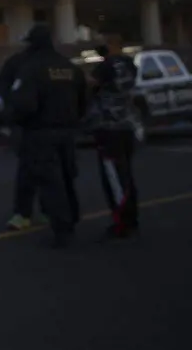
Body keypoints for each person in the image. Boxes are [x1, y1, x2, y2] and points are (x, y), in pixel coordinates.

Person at [9, 24, 87, 248]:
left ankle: (63, 230)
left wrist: (16, 120)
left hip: (40, 133)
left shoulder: (32, 69)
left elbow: (23, 104)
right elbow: (83, 100)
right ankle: (71, 219)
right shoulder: (70, 67)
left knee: (50, 183)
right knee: (67, 178)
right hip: (67, 132)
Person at [89, 41, 141, 239]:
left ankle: (122, 221)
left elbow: (93, 86)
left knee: (114, 178)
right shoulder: (129, 70)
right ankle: (131, 217)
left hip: (109, 130)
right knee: (126, 174)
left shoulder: (104, 73)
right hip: (127, 127)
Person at [0, 43, 38, 230]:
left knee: (28, 170)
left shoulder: (19, 62)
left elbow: (2, 87)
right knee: (48, 170)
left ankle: (24, 213)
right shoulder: (55, 62)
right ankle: (45, 210)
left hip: (28, 124)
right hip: (46, 124)